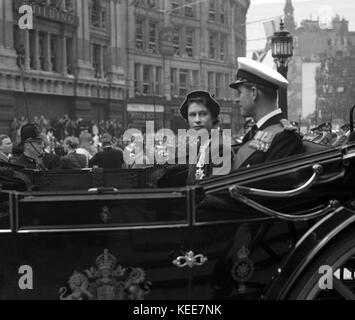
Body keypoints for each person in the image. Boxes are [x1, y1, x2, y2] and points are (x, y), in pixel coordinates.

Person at [230, 57, 304, 170]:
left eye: (240, 93)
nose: (236, 99)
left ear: (254, 93)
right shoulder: (256, 131)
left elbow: (269, 184)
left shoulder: (285, 138)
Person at [180, 90, 233, 185]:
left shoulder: (220, 148)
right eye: (192, 115)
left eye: (203, 114)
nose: (197, 120)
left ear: (213, 117)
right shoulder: (200, 144)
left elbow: (217, 193)